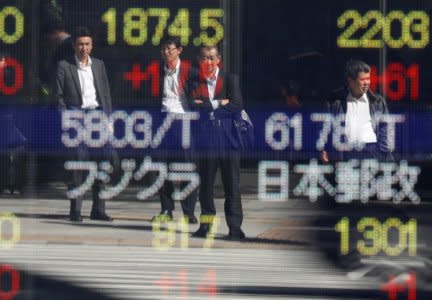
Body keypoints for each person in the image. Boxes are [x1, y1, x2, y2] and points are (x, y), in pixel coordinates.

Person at [55, 26, 113, 222]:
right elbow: (59, 97)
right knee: (78, 165)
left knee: (101, 164)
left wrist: (108, 119)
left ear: (92, 45)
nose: (84, 48)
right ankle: (76, 210)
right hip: (76, 116)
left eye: (87, 44)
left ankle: (98, 209)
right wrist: (67, 119)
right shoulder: (64, 66)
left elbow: (105, 94)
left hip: (97, 116)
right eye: (80, 44)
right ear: (74, 45)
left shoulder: (99, 65)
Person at [191, 45, 245, 240]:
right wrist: (218, 103)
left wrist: (209, 107)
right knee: (205, 186)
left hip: (229, 139)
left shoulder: (230, 79)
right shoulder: (195, 81)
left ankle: (235, 227)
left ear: (219, 59)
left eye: (212, 58)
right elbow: (192, 105)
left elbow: (237, 104)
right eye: (205, 58)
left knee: (232, 185)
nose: (209, 62)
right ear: (200, 60)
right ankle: (206, 226)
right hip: (206, 139)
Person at [150, 37, 198, 224]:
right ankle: (166, 210)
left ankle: (188, 212)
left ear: (179, 50)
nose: (166, 52)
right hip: (163, 123)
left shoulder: (190, 72)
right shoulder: (155, 71)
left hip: (184, 121)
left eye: (170, 49)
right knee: (164, 169)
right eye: (163, 49)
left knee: (187, 167)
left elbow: (198, 98)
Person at [321, 59, 392, 163]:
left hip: (371, 154)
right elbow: (325, 128)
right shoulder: (335, 101)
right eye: (363, 79)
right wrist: (324, 149)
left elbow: (385, 129)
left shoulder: (377, 102)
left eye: (368, 79)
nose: (367, 83)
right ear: (351, 81)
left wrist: (383, 155)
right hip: (345, 154)